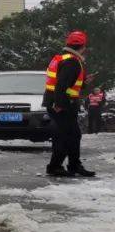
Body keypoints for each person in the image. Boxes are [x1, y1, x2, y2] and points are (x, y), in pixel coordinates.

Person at [42, 30, 93, 177]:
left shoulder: (62, 58)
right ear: (83, 46)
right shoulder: (72, 61)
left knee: (74, 134)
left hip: (59, 102)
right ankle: (55, 167)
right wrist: (59, 104)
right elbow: (61, 86)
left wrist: (83, 82)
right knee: (64, 136)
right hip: (62, 104)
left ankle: (74, 165)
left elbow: (66, 83)